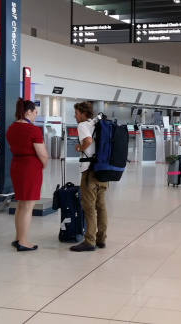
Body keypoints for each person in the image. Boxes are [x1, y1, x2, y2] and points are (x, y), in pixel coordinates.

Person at [5, 99, 47, 252]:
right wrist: (44, 164)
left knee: (22, 203)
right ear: (28, 112)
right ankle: (23, 241)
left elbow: (12, 147)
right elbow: (42, 154)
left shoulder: (11, 128)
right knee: (29, 205)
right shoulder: (33, 130)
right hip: (30, 167)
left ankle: (18, 238)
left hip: (16, 165)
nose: (36, 115)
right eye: (35, 112)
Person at [71, 101, 108, 252]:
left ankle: (89, 241)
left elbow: (88, 140)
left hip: (89, 172)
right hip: (103, 170)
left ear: (83, 114)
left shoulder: (83, 125)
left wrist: (79, 147)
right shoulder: (98, 125)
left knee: (89, 207)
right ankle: (101, 239)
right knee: (101, 206)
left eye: (77, 113)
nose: (75, 116)